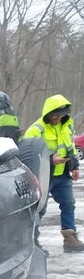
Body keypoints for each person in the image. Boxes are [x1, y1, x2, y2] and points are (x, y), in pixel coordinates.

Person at [22, 95, 84, 252]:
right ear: (47, 113)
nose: (57, 118)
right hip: (43, 175)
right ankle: (32, 242)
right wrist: (50, 159)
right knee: (39, 209)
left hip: (62, 174)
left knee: (68, 204)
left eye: (60, 116)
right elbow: (28, 152)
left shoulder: (67, 126)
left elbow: (70, 146)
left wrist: (75, 166)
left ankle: (69, 238)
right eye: (55, 115)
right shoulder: (36, 129)